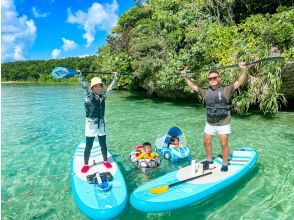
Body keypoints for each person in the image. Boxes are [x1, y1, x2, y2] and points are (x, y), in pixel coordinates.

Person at [181, 63, 248, 172]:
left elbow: (239, 82)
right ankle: (209, 159)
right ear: (208, 80)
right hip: (210, 122)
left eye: (215, 77)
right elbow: (192, 86)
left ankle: (225, 163)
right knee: (206, 141)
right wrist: (185, 76)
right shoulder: (205, 91)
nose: (212, 80)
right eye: (210, 78)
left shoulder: (227, 89)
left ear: (219, 78)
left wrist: (244, 70)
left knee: (223, 143)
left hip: (223, 122)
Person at [76, 70, 119, 173]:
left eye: (99, 86)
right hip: (90, 125)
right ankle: (86, 164)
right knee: (89, 145)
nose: (98, 88)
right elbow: (84, 86)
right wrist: (79, 75)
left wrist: (116, 77)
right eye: (95, 86)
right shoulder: (89, 96)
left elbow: (110, 88)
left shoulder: (103, 96)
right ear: (92, 88)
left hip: (101, 124)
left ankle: (105, 161)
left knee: (103, 144)